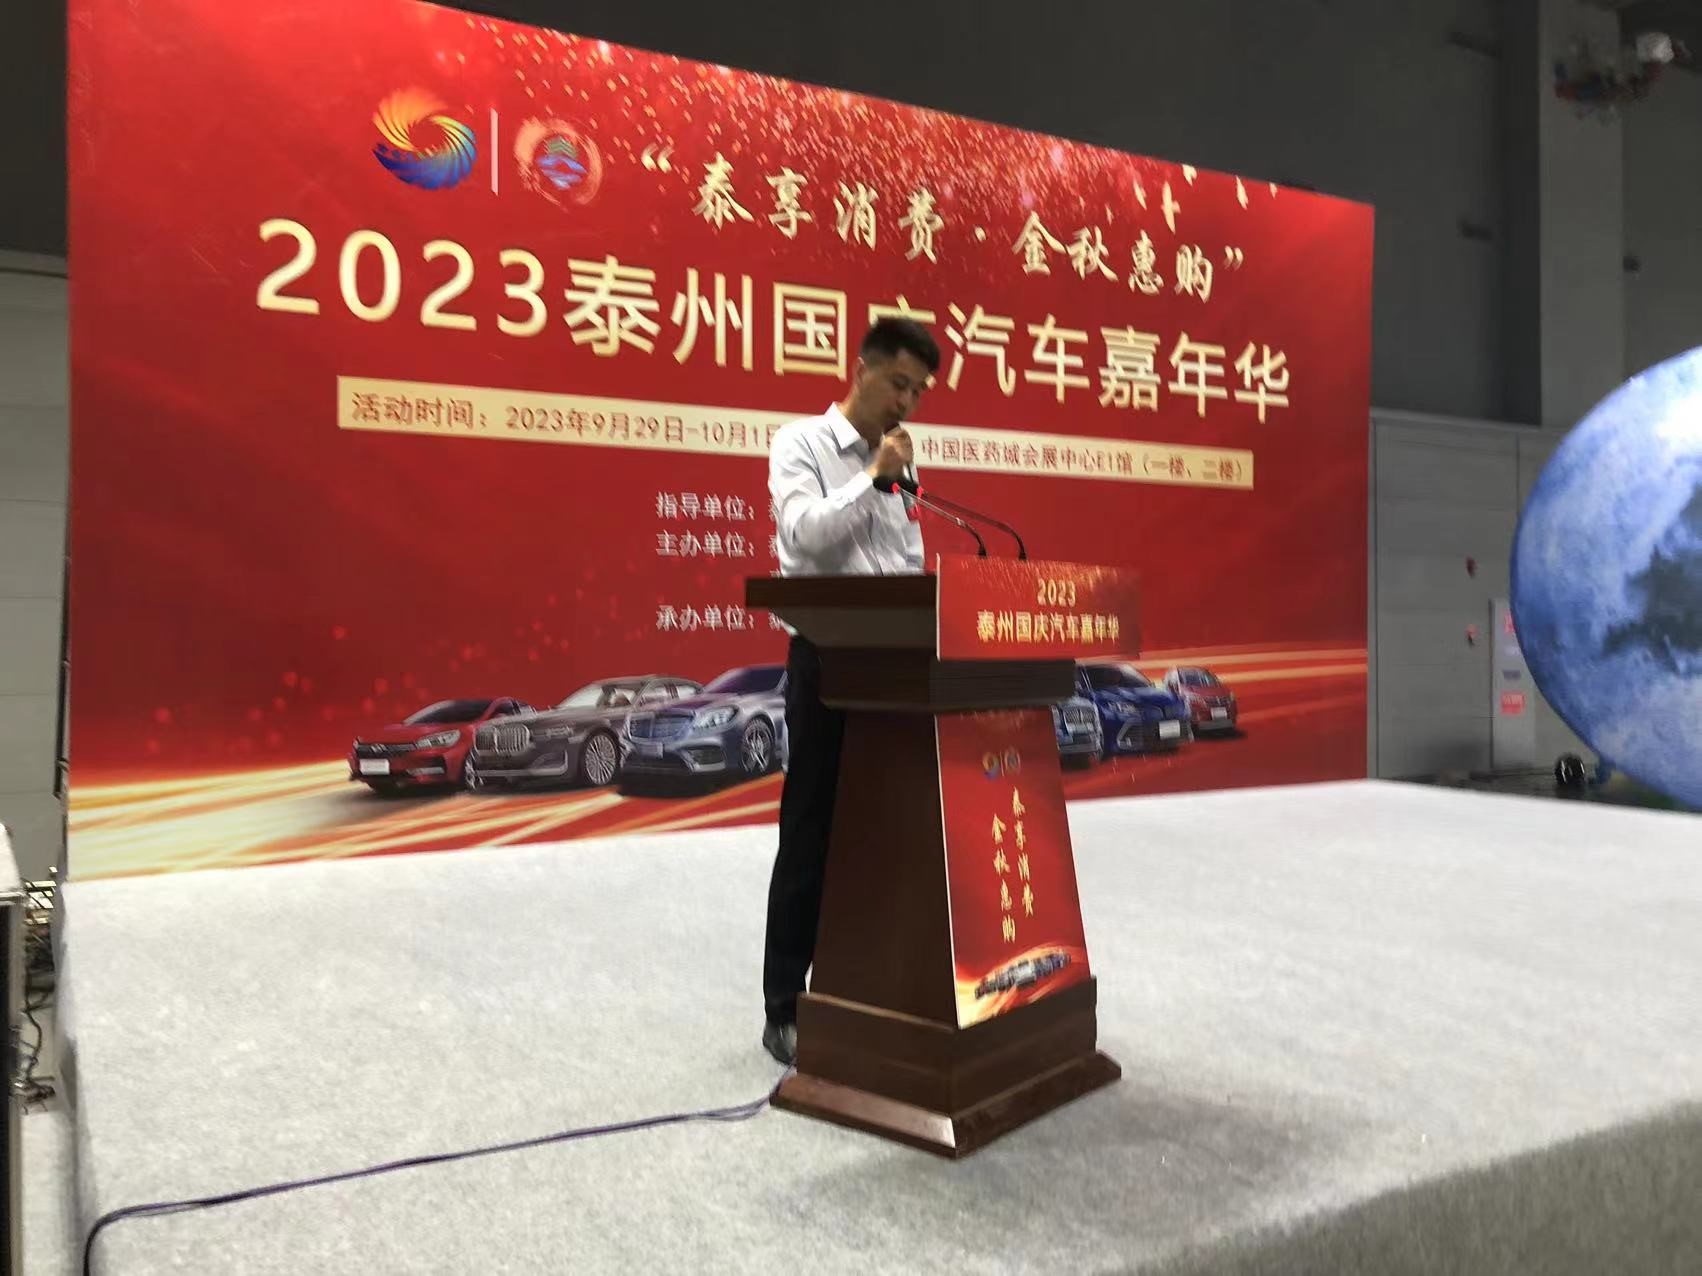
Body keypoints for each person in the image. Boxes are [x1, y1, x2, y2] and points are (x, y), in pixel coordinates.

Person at [760, 317, 940, 1066]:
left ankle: (869, 988)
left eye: (919, 392)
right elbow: (804, 537)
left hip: (895, 669)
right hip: (828, 661)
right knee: (812, 829)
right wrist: (871, 479)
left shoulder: (899, 463)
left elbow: (905, 558)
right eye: (898, 384)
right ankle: (783, 1005)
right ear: (860, 370)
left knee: (886, 831)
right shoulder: (800, 444)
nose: (907, 402)